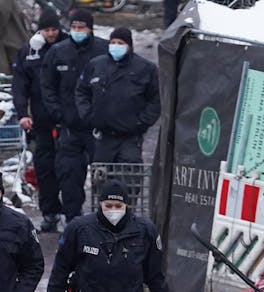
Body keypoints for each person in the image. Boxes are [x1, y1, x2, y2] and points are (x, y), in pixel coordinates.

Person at [40, 9, 108, 221]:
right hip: (69, 128)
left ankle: (104, 220)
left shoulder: (104, 50)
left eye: (82, 28)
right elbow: (47, 86)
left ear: (90, 29)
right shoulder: (58, 52)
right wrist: (58, 113)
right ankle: (72, 222)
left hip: (98, 129)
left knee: (103, 177)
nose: (77, 31)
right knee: (69, 176)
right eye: (74, 28)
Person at [76, 26, 160, 165]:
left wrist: (141, 122)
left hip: (130, 138)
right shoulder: (96, 65)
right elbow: (82, 91)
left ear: (129, 46)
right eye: (113, 43)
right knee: (102, 179)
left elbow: (156, 99)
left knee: (129, 179)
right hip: (103, 137)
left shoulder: (146, 69)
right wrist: (89, 116)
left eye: (120, 43)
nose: (116, 46)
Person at [13, 11, 65, 231]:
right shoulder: (29, 52)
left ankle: (71, 212)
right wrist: (22, 114)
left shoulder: (68, 49)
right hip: (41, 122)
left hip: (67, 121)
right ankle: (50, 212)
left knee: (69, 169)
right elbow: (20, 86)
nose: (51, 34)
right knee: (44, 168)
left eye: (54, 29)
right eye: (47, 30)